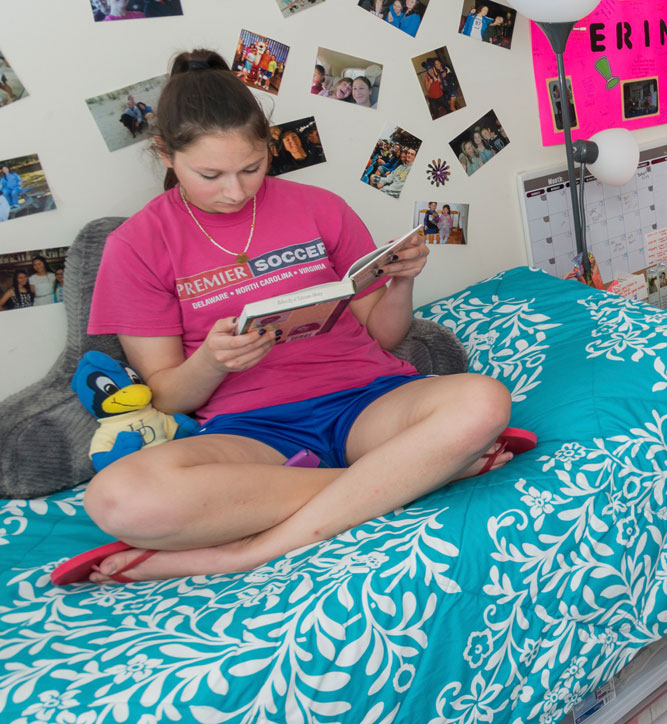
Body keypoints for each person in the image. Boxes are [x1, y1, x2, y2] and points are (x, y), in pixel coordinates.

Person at [66, 50, 527, 586]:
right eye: (210, 174)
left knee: (482, 400)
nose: (235, 190)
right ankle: (408, 475)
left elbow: (385, 334)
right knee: (119, 500)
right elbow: (166, 397)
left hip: (367, 400)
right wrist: (213, 363)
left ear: (268, 148)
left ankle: (243, 552)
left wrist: (401, 282)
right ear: (166, 154)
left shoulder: (318, 206)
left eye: (252, 167)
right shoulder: (136, 245)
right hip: (252, 432)